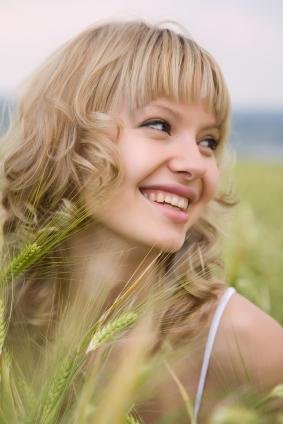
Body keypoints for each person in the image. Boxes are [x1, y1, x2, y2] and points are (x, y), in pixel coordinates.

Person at [1, 20, 283, 422]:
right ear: (66, 136)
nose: (194, 164)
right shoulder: (7, 308)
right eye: (159, 125)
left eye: (209, 142)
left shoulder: (242, 342)